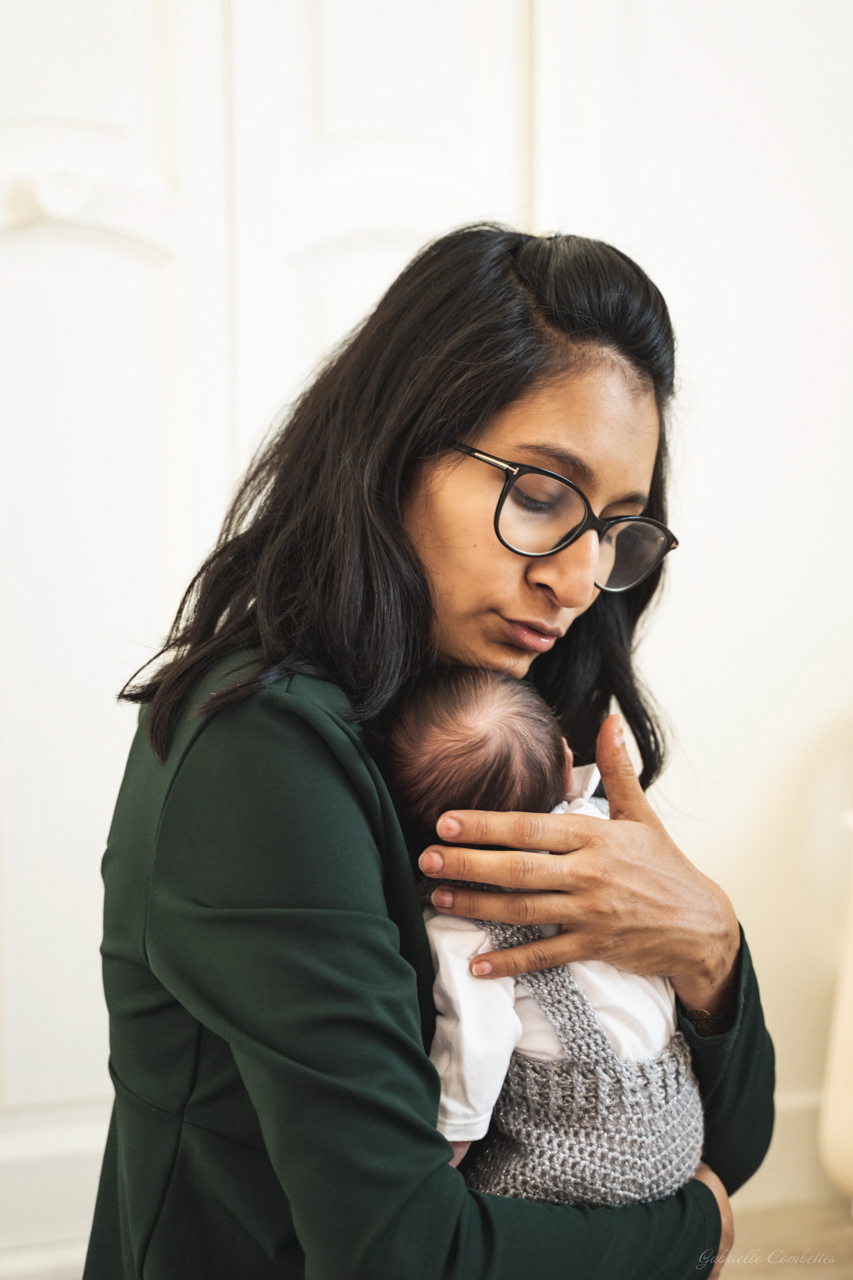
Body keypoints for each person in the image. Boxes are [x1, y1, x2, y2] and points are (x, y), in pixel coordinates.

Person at [83, 225, 774, 1280]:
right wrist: (698, 1230)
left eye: (616, 527)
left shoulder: (519, 723)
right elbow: (401, 1252)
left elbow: (723, 1140)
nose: (581, 576)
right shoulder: (258, 751)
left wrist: (709, 947)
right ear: (396, 447)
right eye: (540, 494)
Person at [386, 664, 704, 1205]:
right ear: (563, 761)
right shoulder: (617, 845)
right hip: (678, 1122)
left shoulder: (461, 917)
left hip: (574, 1148)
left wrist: (452, 1138)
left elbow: (478, 1040)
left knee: (475, 1204)